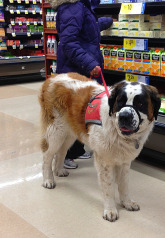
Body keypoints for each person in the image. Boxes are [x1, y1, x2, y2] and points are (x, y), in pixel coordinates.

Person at [49, 0, 113, 169]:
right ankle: (65, 155)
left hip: (81, 69)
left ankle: (75, 150)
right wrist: (89, 63)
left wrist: (105, 22)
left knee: (82, 112)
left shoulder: (82, 6)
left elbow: (86, 30)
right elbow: (69, 42)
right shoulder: (73, 6)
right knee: (72, 114)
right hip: (76, 70)